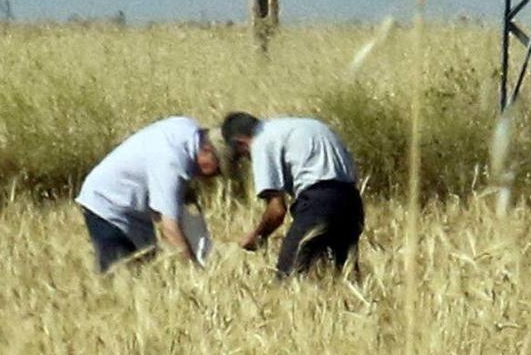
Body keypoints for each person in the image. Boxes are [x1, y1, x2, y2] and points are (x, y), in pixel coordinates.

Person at [220, 112, 364, 278]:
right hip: (352, 200)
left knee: (289, 276)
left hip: (318, 203)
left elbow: (277, 210)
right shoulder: (302, 125)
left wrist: (258, 236)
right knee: (343, 275)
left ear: (240, 143)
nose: (247, 159)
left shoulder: (261, 142)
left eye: (243, 155)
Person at [75, 116, 221, 273]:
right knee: (119, 279)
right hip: (107, 203)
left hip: (135, 212)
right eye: (218, 168)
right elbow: (170, 228)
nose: (216, 175)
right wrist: (195, 270)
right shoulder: (171, 162)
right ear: (206, 150)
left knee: (145, 277)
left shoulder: (188, 129)